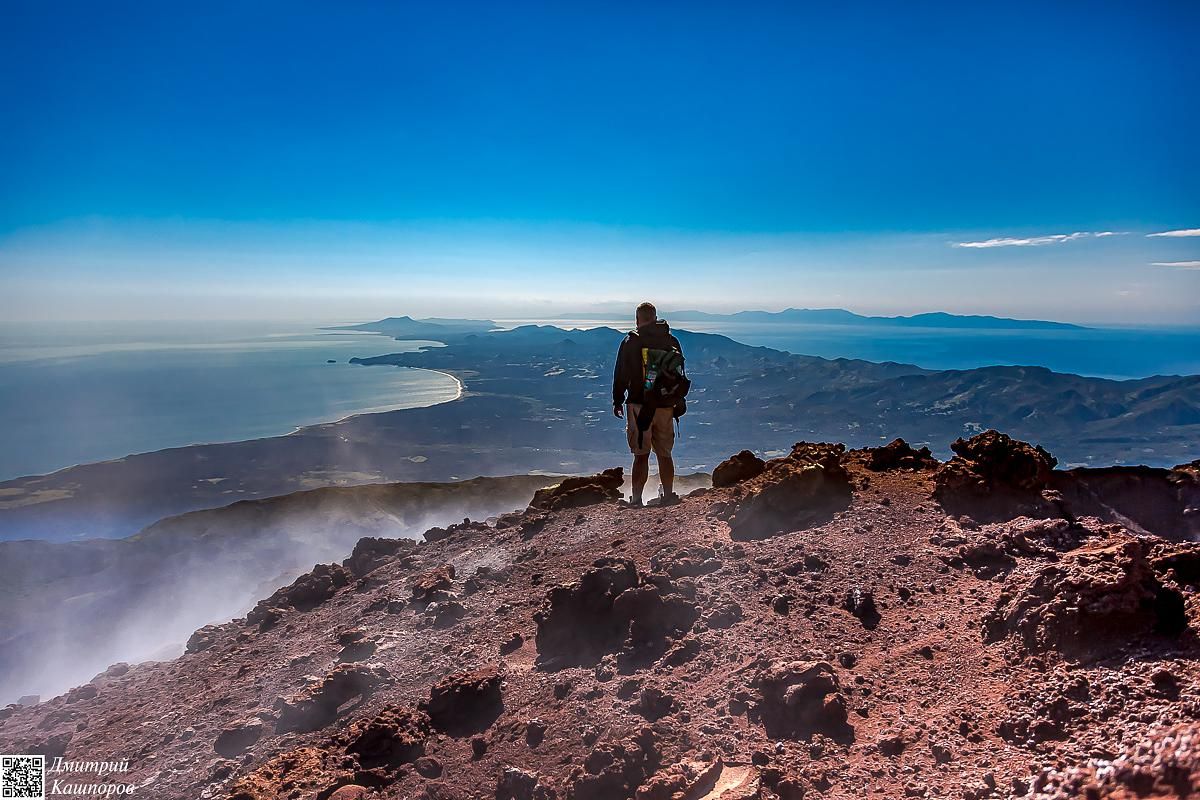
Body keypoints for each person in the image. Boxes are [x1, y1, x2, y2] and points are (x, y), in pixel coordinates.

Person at [612, 302, 686, 506]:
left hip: (639, 406)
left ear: (637, 319)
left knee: (641, 455)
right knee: (665, 454)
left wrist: (617, 400)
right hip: (665, 406)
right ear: (655, 317)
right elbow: (679, 374)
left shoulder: (631, 341)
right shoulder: (671, 340)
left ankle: (636, 500)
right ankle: (669, 495)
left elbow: (621, 374)